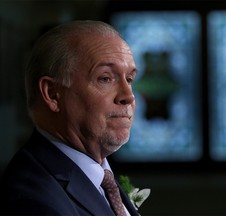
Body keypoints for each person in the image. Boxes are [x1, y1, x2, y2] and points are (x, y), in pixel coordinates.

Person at [0, 20, 139, 216]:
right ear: (53, 94)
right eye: (105, 78)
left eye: (130, 79)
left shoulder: (101, 178)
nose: (128, 96)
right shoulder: (32, 201)